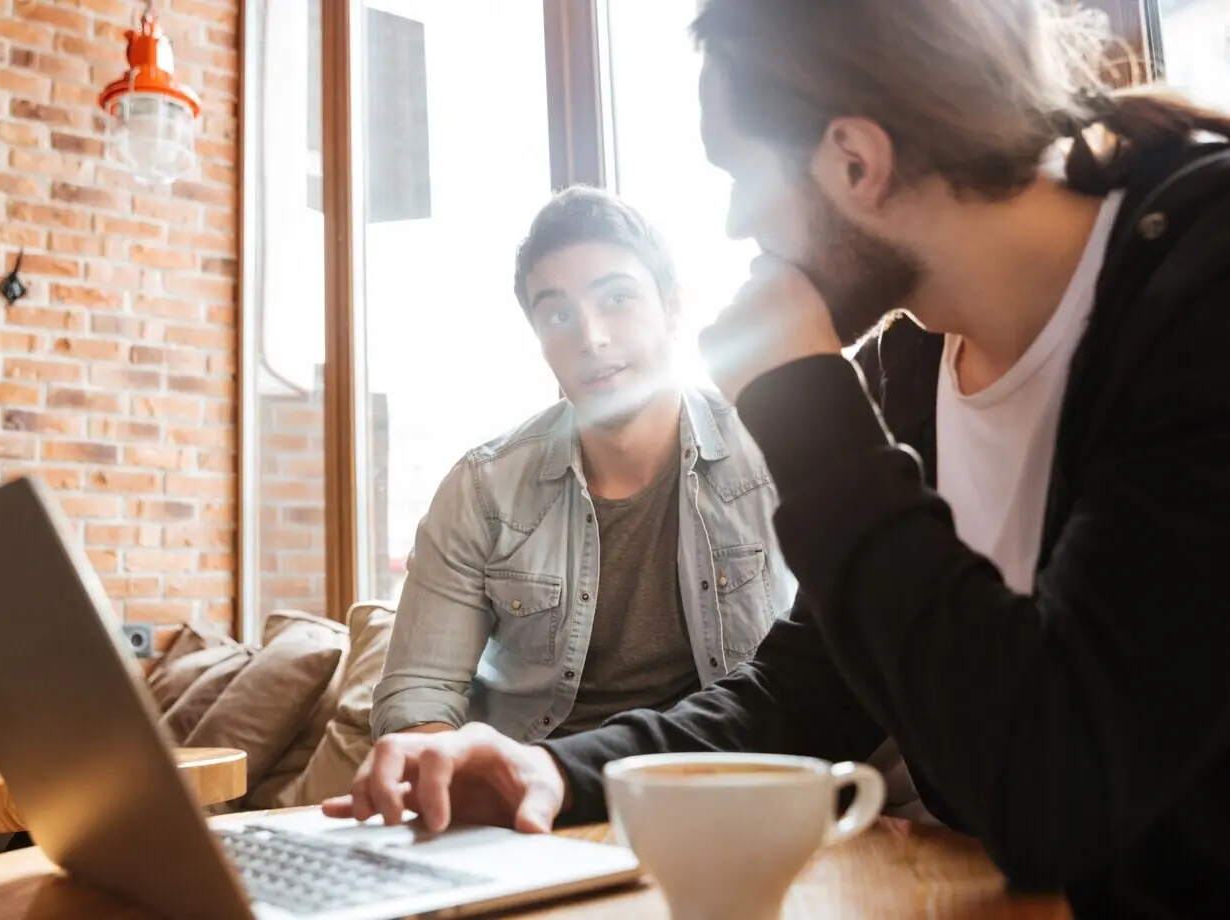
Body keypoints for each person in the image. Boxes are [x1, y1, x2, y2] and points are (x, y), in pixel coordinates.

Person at [329, 2, 1230, 916]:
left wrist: (805, 404)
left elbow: (1062, 794)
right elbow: (803, 694)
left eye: (739, 176)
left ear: (855, 161)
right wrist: (550, 768)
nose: (732, 224)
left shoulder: (1203, 280)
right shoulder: (915, 362)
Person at [369, 186, 796, 742]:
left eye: (616, 298)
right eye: (559, 314)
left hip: (723, 784)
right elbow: (418, 688)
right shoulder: (483, 489)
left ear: (671, 309)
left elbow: (835, 666)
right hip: (536, 793)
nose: (590, 337)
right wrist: (441, 770)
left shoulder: (771, 454)